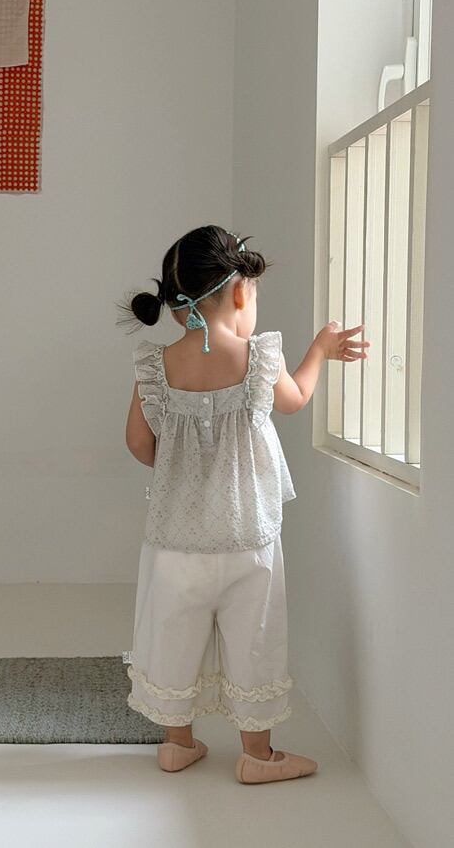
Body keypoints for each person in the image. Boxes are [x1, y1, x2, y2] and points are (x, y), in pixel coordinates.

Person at [116, 224, 368, 783]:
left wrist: (180, 465)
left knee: (174, 633)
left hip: (175, 541)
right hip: (247, 536)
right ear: (238, 292)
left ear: (174, 306)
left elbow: (137, 442)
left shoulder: (155, 366)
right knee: (254, 637)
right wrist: (320, 350)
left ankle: (177, 745)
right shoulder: (257, 358)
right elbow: (294, 400)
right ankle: (258, 756)